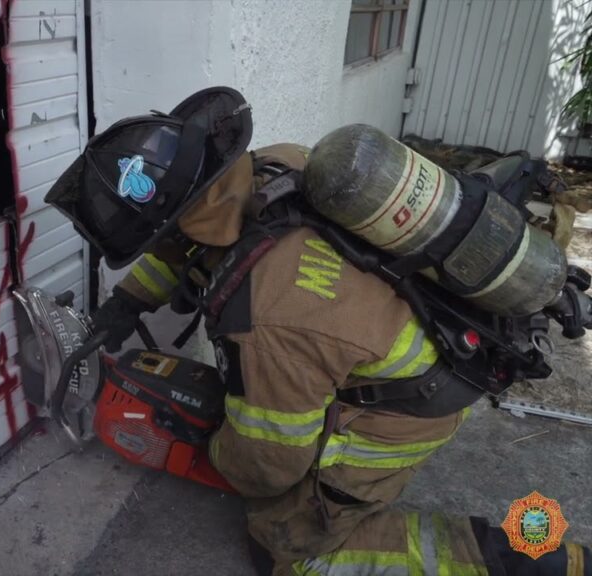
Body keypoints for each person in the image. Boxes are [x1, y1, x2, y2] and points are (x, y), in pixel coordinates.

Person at [45, 87, 591, 575]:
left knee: (286, 550)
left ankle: (522, 559)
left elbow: (268, 466)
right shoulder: (273, 166)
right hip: (427, 337)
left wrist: (212, 445)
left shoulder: (269, 318)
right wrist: (128, 301)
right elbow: (188, 248)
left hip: (405, 412)